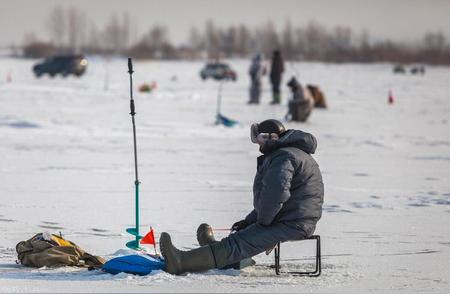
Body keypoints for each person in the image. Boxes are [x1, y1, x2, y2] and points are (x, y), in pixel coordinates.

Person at [160, 119, 324, 275]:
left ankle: (180, 262)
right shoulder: (291, 153)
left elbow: (276, 195)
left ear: (271, 138)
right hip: (293, 217)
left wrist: (262, 223)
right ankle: (221, 254)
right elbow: (277, 200)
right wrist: (249, 221)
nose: (258, 144)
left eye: (260, 138)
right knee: (242, 237)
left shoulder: (284, 157)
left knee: (238, 243)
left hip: (293, 223)